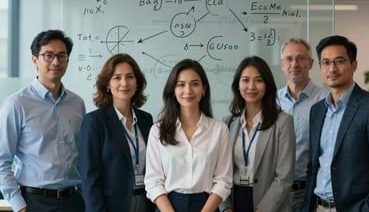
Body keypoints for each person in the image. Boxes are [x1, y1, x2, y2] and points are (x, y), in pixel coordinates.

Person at [0, 29, 86, 212]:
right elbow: (2, 160)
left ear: (67, 61)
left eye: (62, 55)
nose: (56, 61)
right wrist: (19, 206)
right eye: (48, 55)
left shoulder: (77, 104)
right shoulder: (16, 104)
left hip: (74, 201)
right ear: (34, 60)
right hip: (35, 202)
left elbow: (81, 157)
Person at [144, 58, 232, 212]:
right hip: (168, 206)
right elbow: (153, 181)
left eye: (195, 84)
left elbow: (223, 180)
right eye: (181, 84)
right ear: (173, 89)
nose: (188, 90)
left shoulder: (220, 130)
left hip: (207, 206)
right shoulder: (158, 130)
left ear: (204, 89)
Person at [300, 35, 369, 212]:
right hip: (317, 206)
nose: (332, 68)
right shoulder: (317, 111)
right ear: (319, 68)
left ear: (353, 65)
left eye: (339, 61)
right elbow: (313, 167)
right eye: (325, 62)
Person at [79, 53, 155, 212]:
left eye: (130, 77)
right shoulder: (94, 121)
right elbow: (89, 177)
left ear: (137, 83)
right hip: (110, 206)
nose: (124, 83)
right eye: (117, 78)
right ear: (107, 84)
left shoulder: (146, 120)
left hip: (146, 202)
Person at [220, 56, 296, 212]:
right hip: (234, 200)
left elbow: (284, 176)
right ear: (238, 85)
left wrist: (263, 209)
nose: (251, 86)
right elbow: (219, 171)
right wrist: (225, 207)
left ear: (267, 85)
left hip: (269, 203)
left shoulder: (283, 122)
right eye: (246, 80)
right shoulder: (228, 123)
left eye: (258, 80)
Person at [277, 38, 328, 212]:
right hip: (274, 192)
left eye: (301, 58)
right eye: (289, 59)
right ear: (282, 64)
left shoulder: (326, 100)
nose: (295, 64)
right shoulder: (272, 102)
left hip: (309, 191)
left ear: (311, 63)